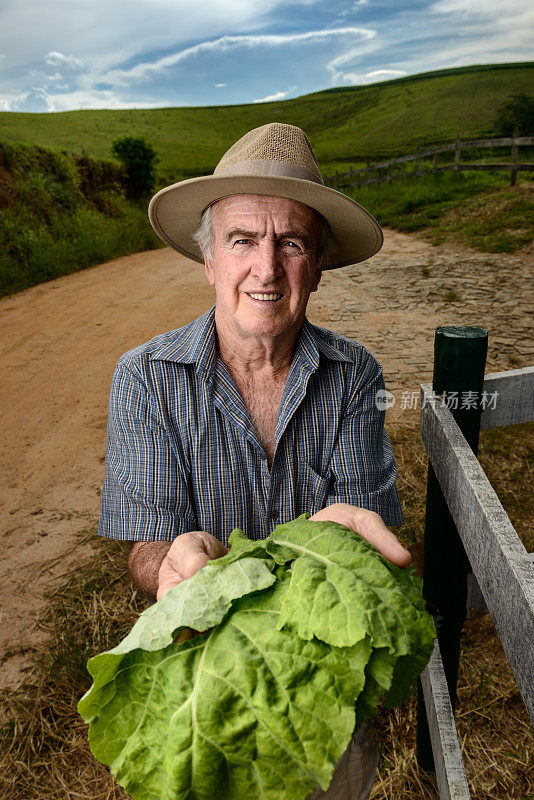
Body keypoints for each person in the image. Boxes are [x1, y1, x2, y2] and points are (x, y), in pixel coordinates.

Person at [98, 122, 410, 800]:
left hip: (319, 692)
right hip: (201, 679)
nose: (266, 269)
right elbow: (148, 546)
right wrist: (166, 565)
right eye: (243, 240)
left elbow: (370, 541)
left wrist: (343, 547)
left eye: (291, 243)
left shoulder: (354, 376)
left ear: (318, 265)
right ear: (210, 260)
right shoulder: (145, 377)